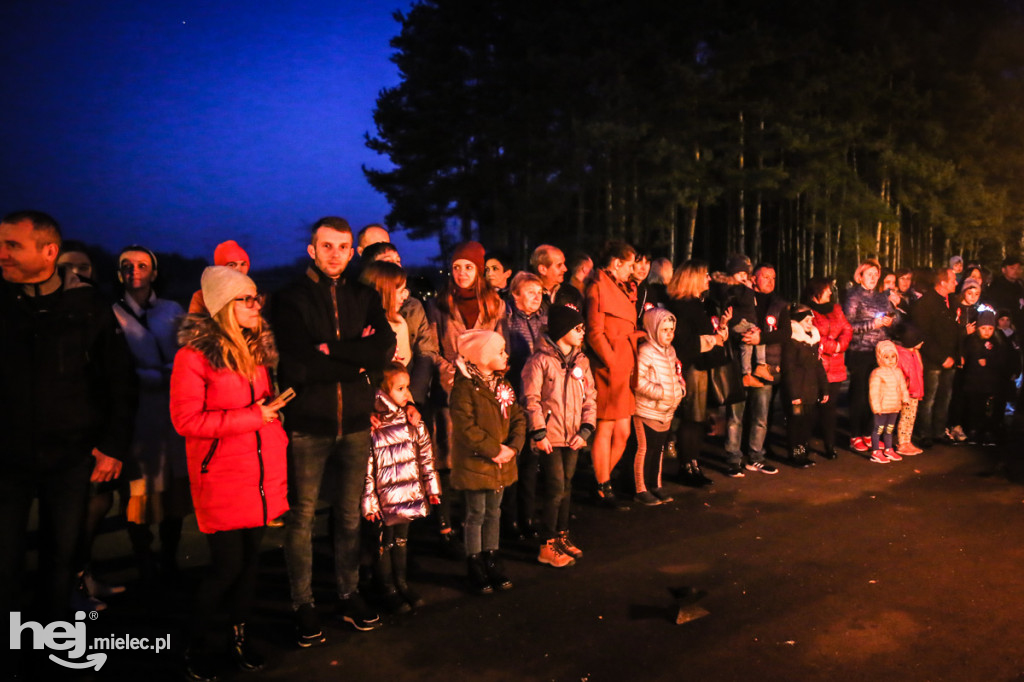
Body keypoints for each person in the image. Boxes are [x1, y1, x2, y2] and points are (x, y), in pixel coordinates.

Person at [0, 211, 136, 627]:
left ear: (49, 251)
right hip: (7, 458)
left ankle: (48, 645)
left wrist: (113, 446)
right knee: (4, 562)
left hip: (70, 457)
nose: (2, 254)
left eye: (12, 246)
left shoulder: (88, 305)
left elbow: (120, 381)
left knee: (60, 558)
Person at [272, 216, 396, 645]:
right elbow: (299, 364)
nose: (335, 254)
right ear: (312, 249)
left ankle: (348, 593)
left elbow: (385, 348)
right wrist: (355, 358)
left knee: (348, 516)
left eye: (343, 247)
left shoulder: (364, 295)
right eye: (326, 246)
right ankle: (303, 603)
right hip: (309, 424)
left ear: (353, 251)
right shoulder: (290, 298)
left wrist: (336, 349)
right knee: (302, 518)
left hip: (356, 423)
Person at [170, 266, 289, 679]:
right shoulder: (193, 357)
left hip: (258, 474)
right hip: (222, 475)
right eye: (247, 299)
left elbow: (258, 410)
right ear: (224, 306)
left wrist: (269, 418)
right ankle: (200, 644)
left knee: (251, 563)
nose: (257, 305)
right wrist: (252, 417)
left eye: (257, 297)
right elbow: (186, 421)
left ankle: (238, 638)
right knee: (225, 568)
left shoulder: (253, 350)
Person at [112, 245, 190, 585]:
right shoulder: (111, 313)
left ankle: (170, 560)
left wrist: (171, 371)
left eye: (142, 264)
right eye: (126, 265)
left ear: (154, 272)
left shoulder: (172, 310)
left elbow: (189, 350)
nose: (134, 270)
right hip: (138, 414)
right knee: (138, 493)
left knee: (174, 489)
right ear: (119, 273)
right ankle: (144, 560)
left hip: (173, 413)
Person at [429, 241, 507, 556]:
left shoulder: (494, 305)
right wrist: (455, 375)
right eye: (457, 266)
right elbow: (432, 349)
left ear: (479, 270)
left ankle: (476, 526)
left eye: (468, 267)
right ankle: (446, 523)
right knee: (448, 454)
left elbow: (502, 345)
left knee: (481, 451)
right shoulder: (439, 304)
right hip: (450, 390)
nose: (462, 273)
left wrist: (488, 378)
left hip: (485, 391)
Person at [449, 329, 525, 594]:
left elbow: (517, 416)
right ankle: (475, 561)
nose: (505, 355)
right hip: (477, 464)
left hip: (501, 462)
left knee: (495, 511)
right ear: (481, 357)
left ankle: (492, 555)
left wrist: (513, 447)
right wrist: (494, 449)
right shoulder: (464, 389)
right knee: (476, 513)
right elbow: (465, 428)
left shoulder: (503, 384)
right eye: (500, 351)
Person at [362, 362, 441, 613]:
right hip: (384, 499)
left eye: (407, 387)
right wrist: (369, 503)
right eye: (400, 388)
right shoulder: (374, 426)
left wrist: (432, 488)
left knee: (402, 540)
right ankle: (386, 587)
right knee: (383, 542)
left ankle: (401, 582)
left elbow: (426, 455)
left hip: (408, 494)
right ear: (383, 392)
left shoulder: (412, 420)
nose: (408, 394)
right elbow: (367, 469)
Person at [521, 304, 595, 568]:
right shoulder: (540, 361)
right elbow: (532, 399)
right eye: (577, 328)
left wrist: (586, 429)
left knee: (566, 487)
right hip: (550, 437)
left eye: (582, 327)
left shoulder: (581, 361)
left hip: (573, 436)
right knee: (554, 489)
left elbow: (590, 398)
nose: (582, 332)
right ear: (562, 330)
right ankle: (547, 543)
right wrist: (539, 432)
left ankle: (562, 535)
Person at [585, 240, 643, 507]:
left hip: (623, 364)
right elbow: (594, 331)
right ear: (617, 262)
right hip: (609, 368)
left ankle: (600, 479)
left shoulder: (619, 287)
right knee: (606, 428)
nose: (632, 270)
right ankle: (602, 485)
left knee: (623, 431)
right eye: (629, 264)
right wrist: (610, 361)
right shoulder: (598, 286)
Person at [665, 260, 729, 483]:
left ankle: (692, 463)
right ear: (692, 278)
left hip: (699, 366)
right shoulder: (684, 306)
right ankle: (687, 465)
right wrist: (712, 340)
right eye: (704, 275)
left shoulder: (695, 304)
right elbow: (684, 341)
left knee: (697, 419)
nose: (708, 279)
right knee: (692, 419)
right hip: (692, 368)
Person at [724, 263, 787, 475]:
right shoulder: (741, 297)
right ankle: (733, 458)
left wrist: (762, 338)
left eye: (773, 277)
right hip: (739, 366)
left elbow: (785, 333)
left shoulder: (779, 304)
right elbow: (729, 321)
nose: (770, 281)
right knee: (736, 416)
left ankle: (756, 456)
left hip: (765, 366)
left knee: (761, 416)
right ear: (754, 279)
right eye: (765, 277)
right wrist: (744, 336)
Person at [361, 243, 439, 406]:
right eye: (388, 262)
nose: (396, 266)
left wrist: (412, 400)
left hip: (401, 400)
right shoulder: (360, 318)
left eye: (398, 260)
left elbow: (424, 353)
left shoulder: (406, 315)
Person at [502, 270, 547, 540]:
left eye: (540, 292)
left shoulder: (543, 318)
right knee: (514, 458)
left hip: (536, 395)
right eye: (531, 292)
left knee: (531, 460)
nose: (537, 297)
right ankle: (510, 519)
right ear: (516, 294)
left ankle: (527, 515)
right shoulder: (507, 320)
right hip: (513, 394)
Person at [843, 259, 898, 452]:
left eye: (876, 274)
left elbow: (892, 316)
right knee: (860, 394)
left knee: (876, 395)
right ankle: (855, 434)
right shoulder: (853, 296)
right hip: (860, 351)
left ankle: (868, 433)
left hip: (879, 351)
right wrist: (871, 325)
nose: (874, 278)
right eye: (869, 274)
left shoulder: (883, 296)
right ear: (860, 276)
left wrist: (891, 320)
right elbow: (848, 326)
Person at [633, 307, 685, 504]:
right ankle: (640, 488)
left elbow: (675, 374)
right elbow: (638, 380)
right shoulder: (646, 351)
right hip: (647, 410)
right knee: (644, 449)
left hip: (665, 410)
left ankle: (656, 484)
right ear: (653, 328)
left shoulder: (670, 351)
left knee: (659, 449)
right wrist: (661, 393)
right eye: (664, 330)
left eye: (671, 330)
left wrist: (680, 389)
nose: (669, 334)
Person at [910, 267, 962, 448]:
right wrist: (941, 357)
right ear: (943, 282)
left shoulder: (952, 301)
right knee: (929, 398)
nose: (956, 282)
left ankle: (939, 431)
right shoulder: (925, 304)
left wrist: (957, 355)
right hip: (933, 360)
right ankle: (924, 433)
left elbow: (956, 330)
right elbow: (924, 335)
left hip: (950, 358)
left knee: (944, 397)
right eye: (953, 279)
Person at [805, 277, 852, 460]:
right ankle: (804, 445)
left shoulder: (836, 309)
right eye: (827, 289)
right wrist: (834, 346)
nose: (831, 293)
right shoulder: (807, 311)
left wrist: (841, 345)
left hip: (837, 366)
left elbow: (847, 329)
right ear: (816, 291)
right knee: (813, 407)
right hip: (818, 367)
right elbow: (813, 335)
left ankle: (829, 445)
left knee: (830, 408)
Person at [782, 305, 830, 468]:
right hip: (798, 390)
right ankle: (795, 454)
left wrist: (824, 388)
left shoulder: (813, 340)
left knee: (808, 421)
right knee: (796, 422)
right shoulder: (793, 341)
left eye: (811, 320)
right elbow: (789, 368)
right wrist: (794, 394)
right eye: (806, 320)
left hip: (811, 389)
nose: (810, 323)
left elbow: (818, 365)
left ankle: (804, 451)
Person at [962, 310, 1010, 446]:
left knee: (989, 410)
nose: (987, 332)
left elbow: (1002, 359)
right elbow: (970, 356)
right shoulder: (972, 341)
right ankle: (973, 430)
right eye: (983, 328)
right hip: (974, 382)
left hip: (991, 382)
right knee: (974, 408)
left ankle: (988, 432)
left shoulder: (998, 341)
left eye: (990, 328)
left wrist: (988, 361)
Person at [723, 255, 771, 388]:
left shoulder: (740, 288)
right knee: (753, 339)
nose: (743, 277)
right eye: (739, 273)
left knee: (751, 342)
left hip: (745, 322)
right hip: (738, 322)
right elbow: (745, 302)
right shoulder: (734, 288)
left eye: (745, 273)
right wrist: (749, 289)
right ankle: (756, 367)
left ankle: (750, 372)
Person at [868, 340, 910, 463]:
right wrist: (876, 407)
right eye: (886, 357)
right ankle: (875, 451)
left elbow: (902, 387)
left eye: (893, 356)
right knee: (878, 429)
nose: (890, 360)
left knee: (889, 429)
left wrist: (905, 398)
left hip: (894, 407)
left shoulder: (898, 371)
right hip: (882, 408)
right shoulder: (877, 373)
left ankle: (888, 449)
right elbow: (874, 392)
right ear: (880, 358)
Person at [189, 240, 251, 314]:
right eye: (231, 265)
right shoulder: (202, 297)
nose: (239, 270)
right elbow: (194, 323)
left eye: (243, 264)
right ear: (220, 269)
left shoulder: (253, 295)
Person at [893, 324, 925, 456]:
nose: (923, 342)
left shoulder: (913, 353)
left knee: (910, 418)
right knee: (905, 418)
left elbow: (920, 369)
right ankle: (902, 443)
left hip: (914, 391)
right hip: (907, 392)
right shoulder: (902, 355)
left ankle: (907, 441)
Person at [531, 244, 578, 310]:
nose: (565, 269)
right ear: (543, 269)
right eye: (559, 265)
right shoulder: (528, 296)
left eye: (564, 263)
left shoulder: (572, 293)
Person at [630, 251, 653, 319]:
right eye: (639, 262)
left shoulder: (649, 291)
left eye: (647, 263)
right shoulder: (622, 288)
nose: (643, 268)